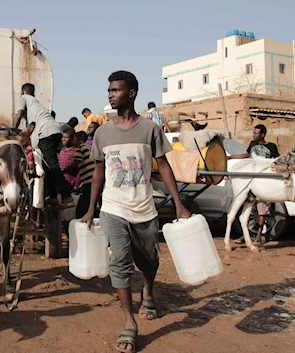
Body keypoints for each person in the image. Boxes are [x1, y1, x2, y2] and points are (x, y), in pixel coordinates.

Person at [81, 71, 190, 353]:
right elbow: (98, 173)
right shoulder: (103, 132)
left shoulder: (149, 129)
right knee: (120, 260)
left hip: (144, 208)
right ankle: (129, 323)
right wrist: (92, 209)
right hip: (113, 208)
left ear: (131, 93)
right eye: (108, 90)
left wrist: (178, 203)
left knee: (150, 260)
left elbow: (163, 166)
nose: (110, 94)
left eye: (115, 90)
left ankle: (149, 292)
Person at [12, 83, 73, 206]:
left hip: (46, 134)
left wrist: (12, 130)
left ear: (23, 91)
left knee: (53, 165)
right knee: (47, 166)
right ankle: (53, 196)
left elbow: (19, 114)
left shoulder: (23, 98)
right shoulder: (36, 104)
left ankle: (66, 195)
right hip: (55, 131)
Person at [229, 124, 280, 245]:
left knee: (262, 209)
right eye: (253, 133)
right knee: (248, 210)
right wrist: (230, 157)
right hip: (251, 182)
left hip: (264, 182)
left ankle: (259, 235)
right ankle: (245, 235)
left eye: (256, 133)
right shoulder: (252, 144)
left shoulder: (271, 146)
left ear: (262, 134)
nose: (254, 135)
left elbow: (276, 161)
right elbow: (246, 156)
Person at [74, 131, 95, 219]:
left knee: (81, 208)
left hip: (89, 181)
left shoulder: (80, 148)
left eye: (74, 139)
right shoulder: (85, 148)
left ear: (79, 140)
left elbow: (75, 164)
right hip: (92, 179)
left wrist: (63, 171)